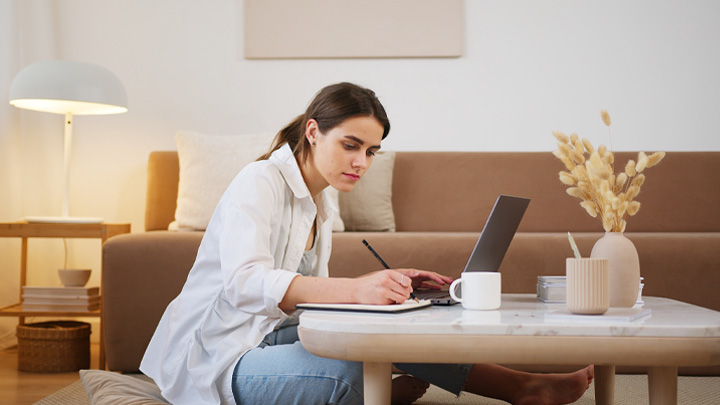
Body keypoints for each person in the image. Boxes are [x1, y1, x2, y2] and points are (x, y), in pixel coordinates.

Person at [140, 82, 594, 405]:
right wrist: (357, 291)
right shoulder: (259, 181)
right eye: (351, 145)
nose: (362, 162)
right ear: (314, 131)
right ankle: (377, 394)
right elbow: (244, 283)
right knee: (353, 369)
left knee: (393, 328)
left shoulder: (322, 199)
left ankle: (522, 387)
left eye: (371, 151)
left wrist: (382, 289)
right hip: (216, 357)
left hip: (265, 335)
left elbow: (303, 299)